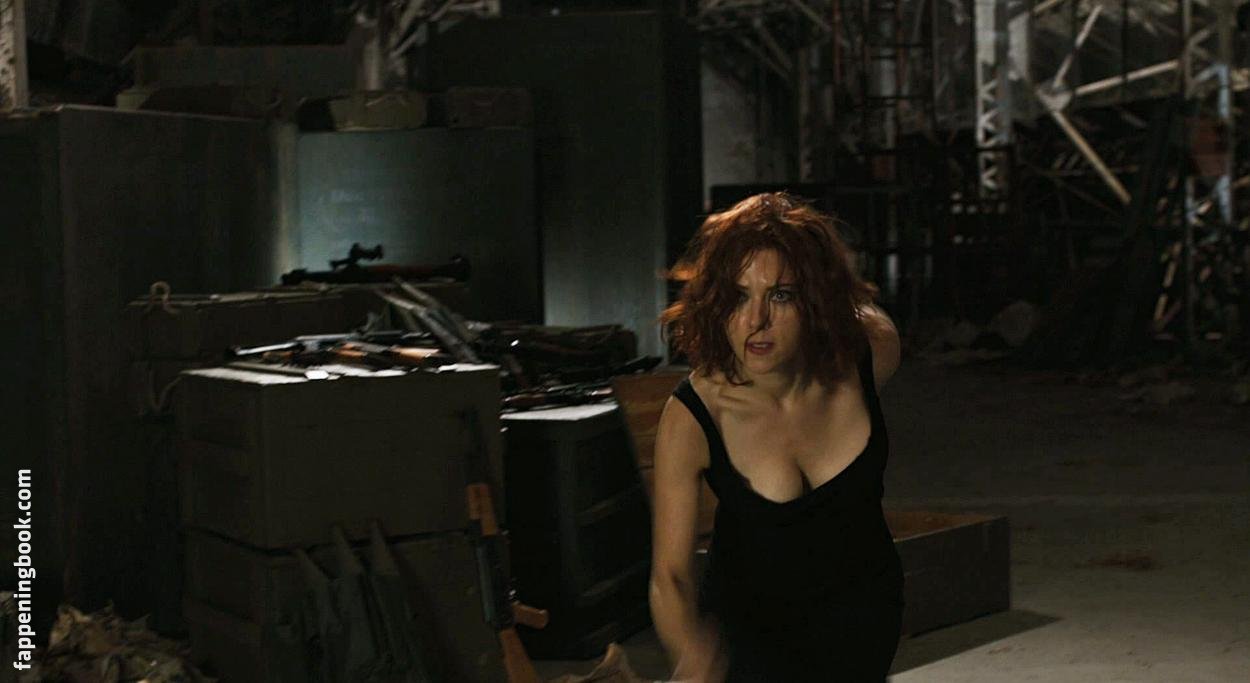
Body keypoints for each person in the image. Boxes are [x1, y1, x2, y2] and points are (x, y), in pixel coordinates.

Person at [648, 193, 905, 682]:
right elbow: (670, 577)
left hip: (865, 636)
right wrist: (692, 652)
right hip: (752, 649)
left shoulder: (870, 354)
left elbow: (858, 308)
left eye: (781, 295)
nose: (756, 321)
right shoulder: (695, 415)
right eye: (738, 296)